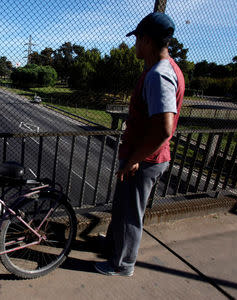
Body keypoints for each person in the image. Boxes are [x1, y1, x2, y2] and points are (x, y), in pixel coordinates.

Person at [94, 12, 185, 276]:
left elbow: (164, 129)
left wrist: (135, 159)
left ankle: (122, 264)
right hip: (142, 155)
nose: (134, 45)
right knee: (122, 207)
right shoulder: (167, 68)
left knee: (131, 213)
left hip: (144, 159)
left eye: (137, 40)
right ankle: (113, 246)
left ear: (146, 40)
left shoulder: (159, 74)